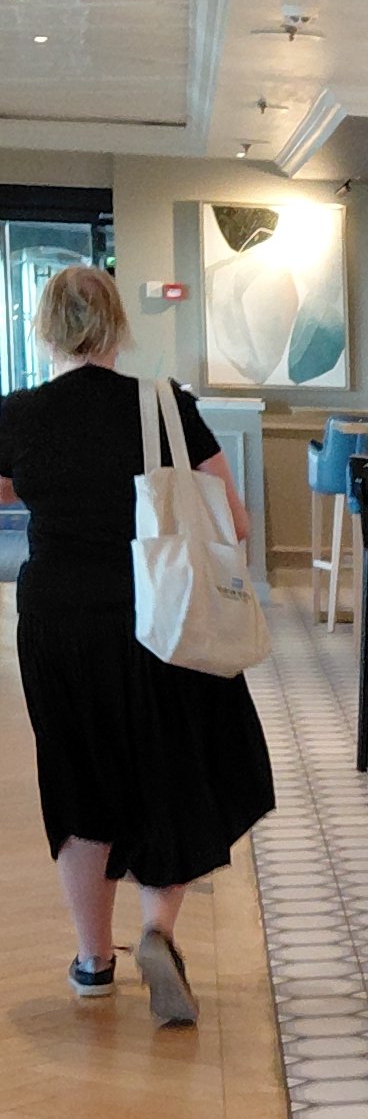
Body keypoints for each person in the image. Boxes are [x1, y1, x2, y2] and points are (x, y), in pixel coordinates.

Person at [0, 263, 274, 1023]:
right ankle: (158, 932)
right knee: (170, 768)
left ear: (45, 327)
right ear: (117, 324)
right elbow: (236, 522)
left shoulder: (17, 416)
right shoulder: (164, 407)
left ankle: (93, 961)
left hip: (56, 623)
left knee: (80, 778)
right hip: (161, 615)